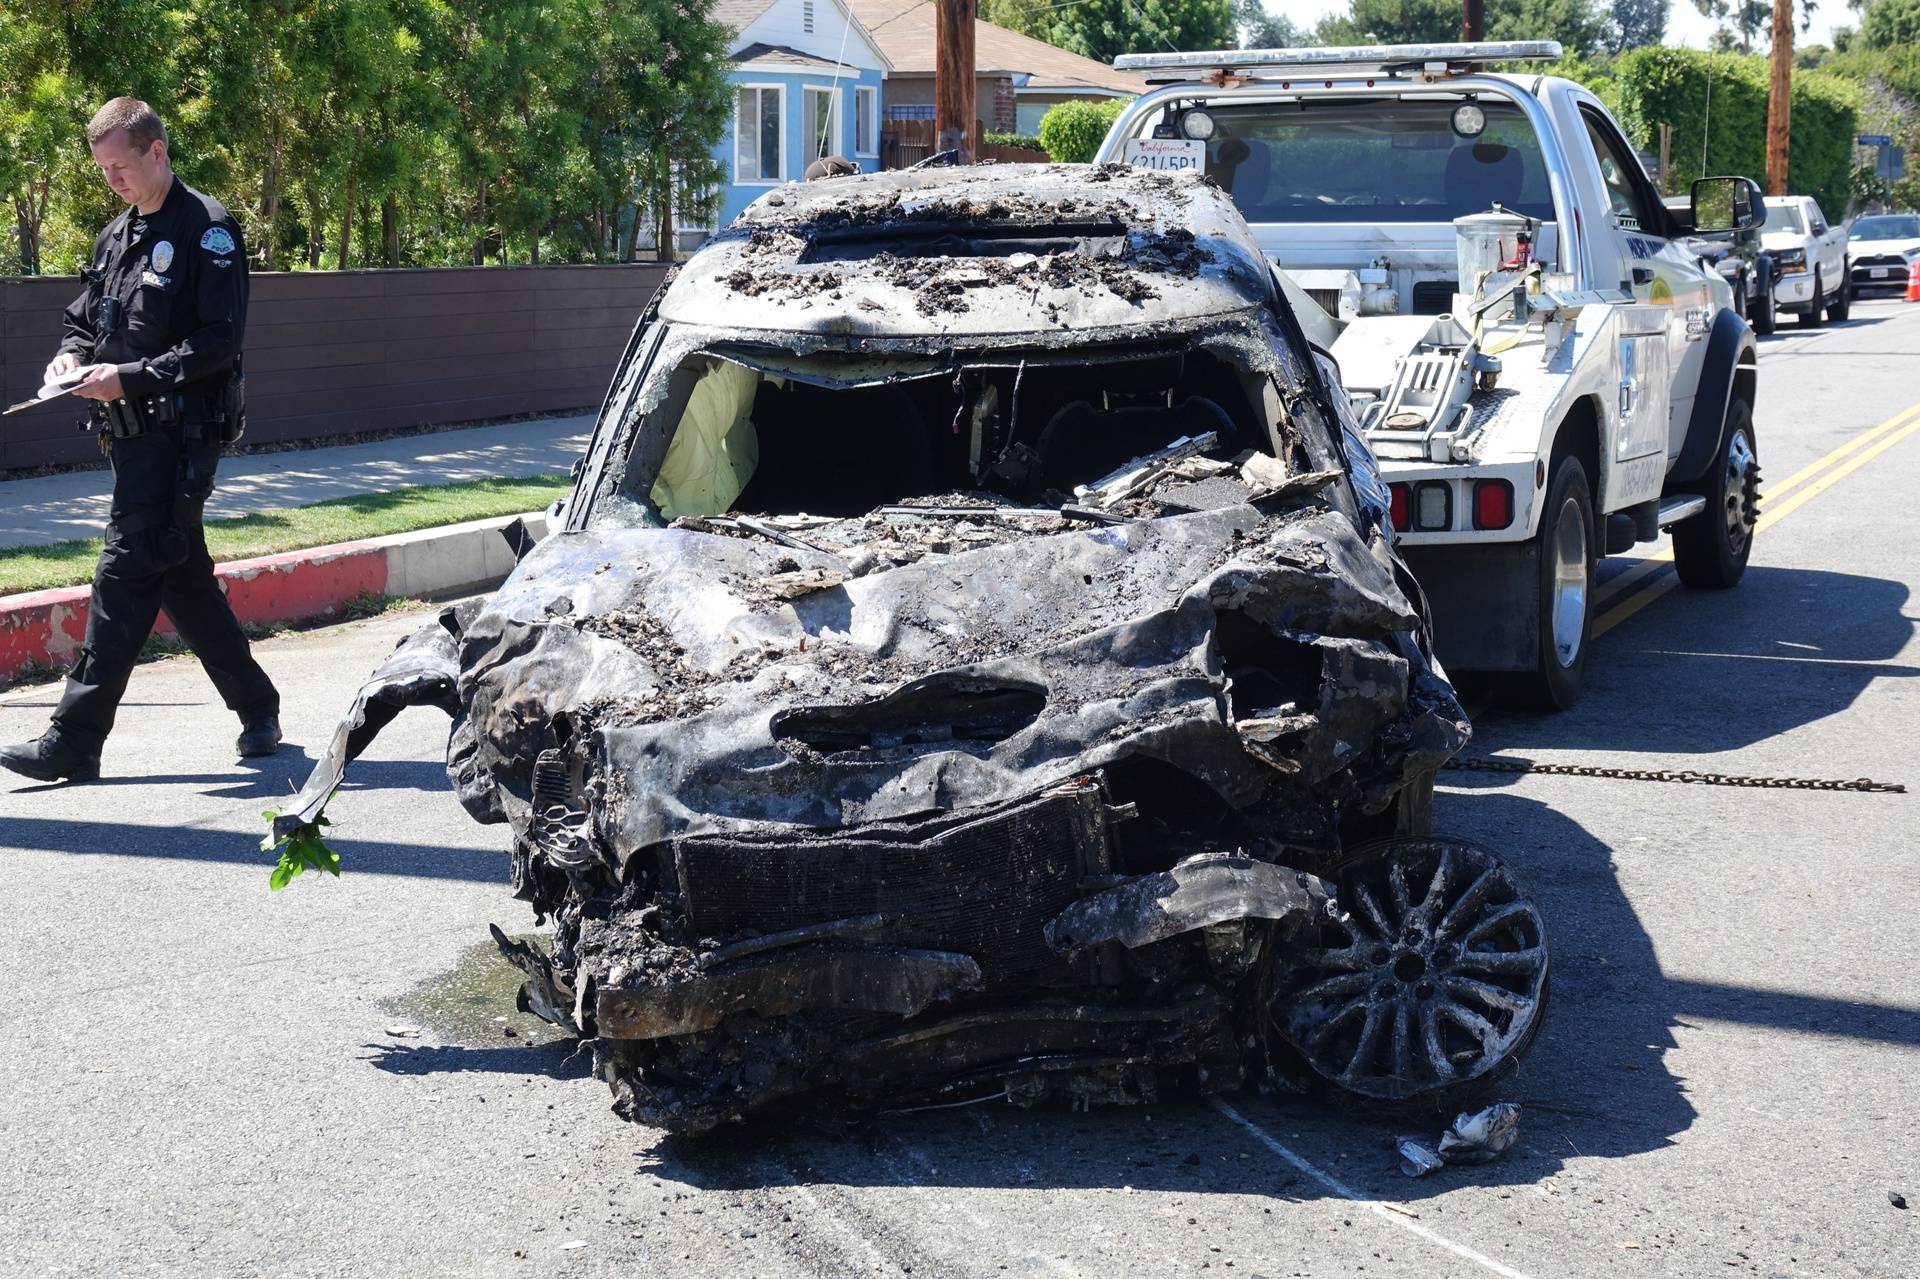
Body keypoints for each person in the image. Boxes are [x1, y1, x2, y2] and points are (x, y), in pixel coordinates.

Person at [0, 97, 280, 784]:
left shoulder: (207, 230)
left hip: (181, 437)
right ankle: (257, 703)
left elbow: (218, 342)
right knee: (179, 575)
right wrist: (69, 359)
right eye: (103, 171)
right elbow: (83, 318)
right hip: (128, 439)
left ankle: (74, 739)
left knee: (122, 575)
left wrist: (128, 378)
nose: (112, 182)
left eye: (120, 167)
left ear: (157, 151)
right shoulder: (115, 236)